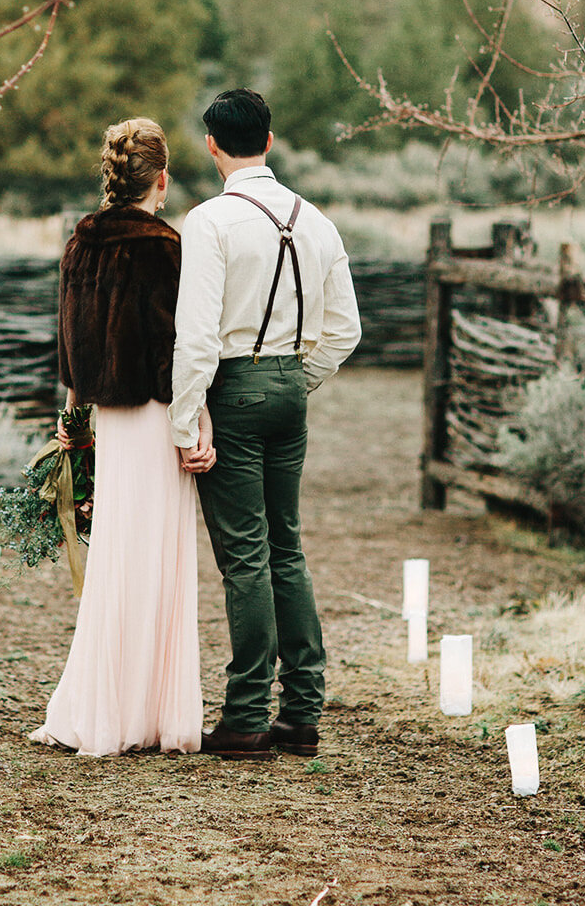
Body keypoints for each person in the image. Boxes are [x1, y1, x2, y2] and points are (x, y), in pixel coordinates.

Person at [169, 88, 361, 761]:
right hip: (288, 389)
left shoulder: (209, 221)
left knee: (245, 556)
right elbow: (345, 331)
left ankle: (246, 717)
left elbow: (194, 337)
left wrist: (186, 419)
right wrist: (295, 381)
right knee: (287, 546)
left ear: (212, 145)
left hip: (234, 392)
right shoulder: (317, 221)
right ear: (270, 142)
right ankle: (301, 712)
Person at [29, 117, 214, 757]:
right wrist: (197, 424)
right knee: (157, 560)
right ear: (161, 179)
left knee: (117, 559)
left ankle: (105, 707)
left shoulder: (79, 245)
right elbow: (177, 349)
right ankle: (151, 711)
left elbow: (70, 338)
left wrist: (73, 412)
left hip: (108, 418)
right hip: (159, 417)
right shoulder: (166, 248)